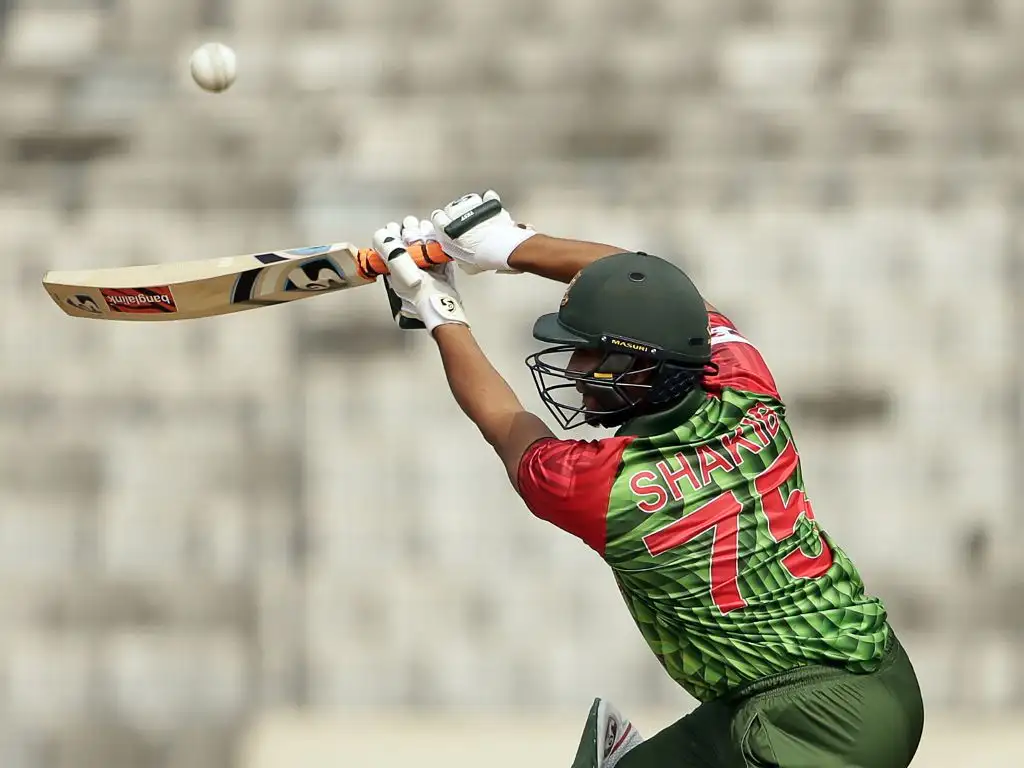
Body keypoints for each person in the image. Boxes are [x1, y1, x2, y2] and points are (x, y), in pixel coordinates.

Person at [371, 191, 925, 768]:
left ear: (640, 367)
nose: (573, 370)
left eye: (590, 355)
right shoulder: (744, 388)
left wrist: (439, 311)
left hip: (815, 722)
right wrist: (510, 245)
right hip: (876, 670)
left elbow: (504, 424)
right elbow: (658, 290)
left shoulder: (603, 486)